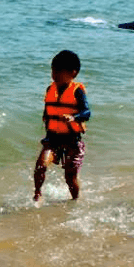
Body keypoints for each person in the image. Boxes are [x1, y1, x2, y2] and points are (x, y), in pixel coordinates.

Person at [33, 50, 91, 202]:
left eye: (59, 71)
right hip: (53, 138)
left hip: (72, 139)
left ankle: (75, 201)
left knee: (70, 178)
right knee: (40, 166)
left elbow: (87, 113)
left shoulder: (77, 91)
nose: (54, 74)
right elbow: (47, 112)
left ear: (73, 73)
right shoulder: (50, 89)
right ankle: (37, 195)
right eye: (53, 69)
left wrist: (73, 118)